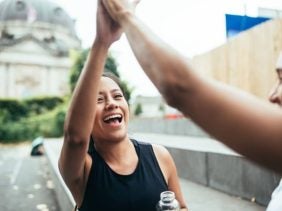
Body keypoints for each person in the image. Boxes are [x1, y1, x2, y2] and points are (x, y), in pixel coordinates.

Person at [101, 0, 282, 175]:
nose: (272, 95)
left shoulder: (157, 156)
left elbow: (179, 87)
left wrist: (124, 15)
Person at [58, 1, 187, 211]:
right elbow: (74, 138)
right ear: (85, 118)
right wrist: (102, 43)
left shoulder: (159, 156)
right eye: (98, 100)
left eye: (117, 96)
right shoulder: (83, 170)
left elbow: (182, 207)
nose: (111, 104)